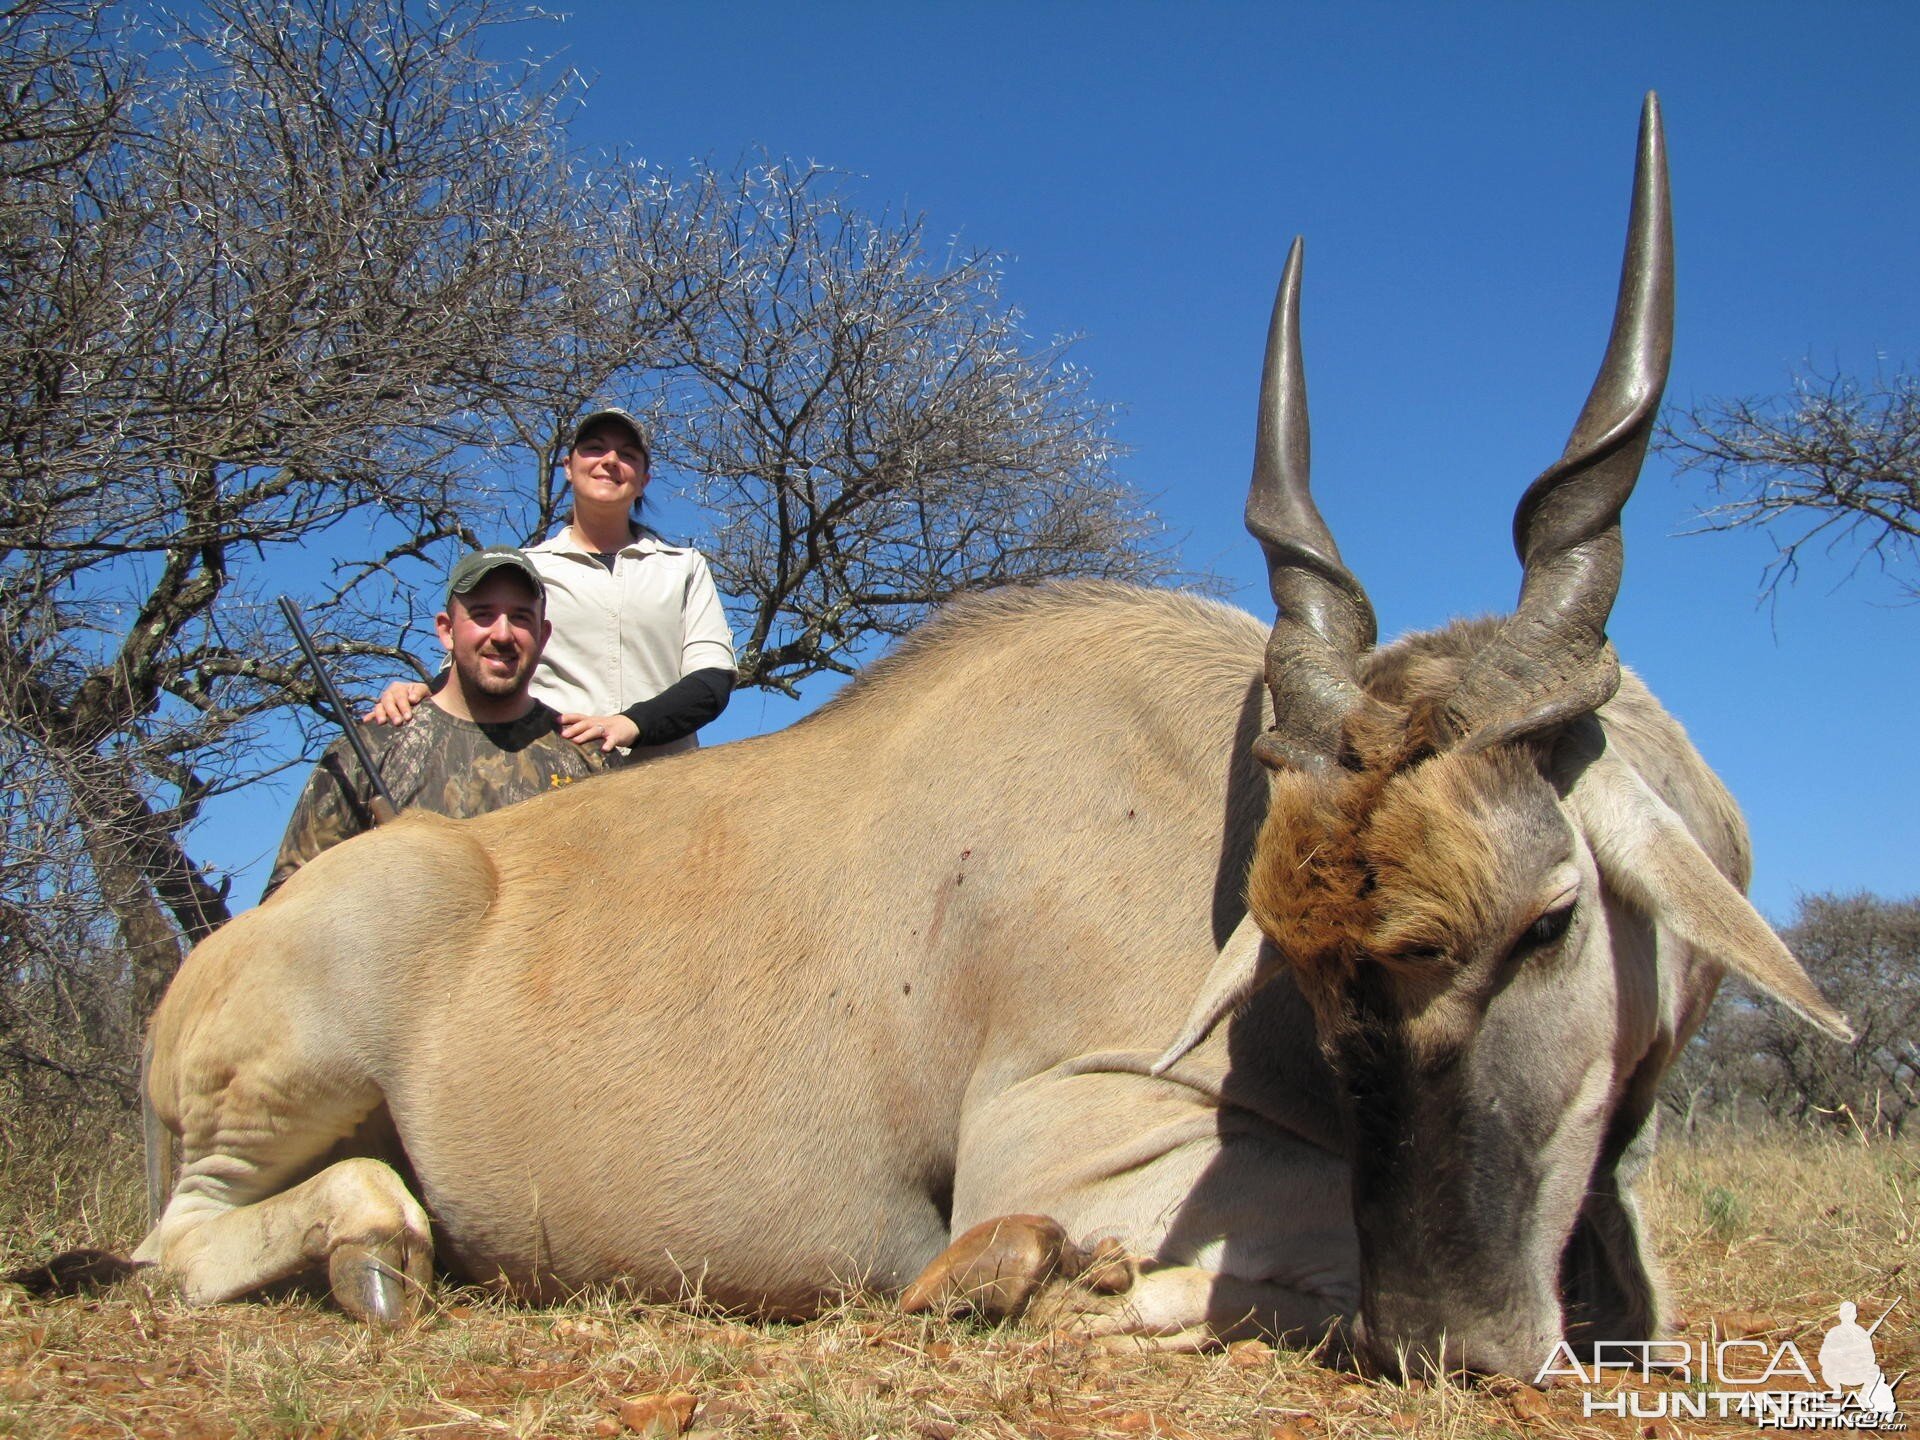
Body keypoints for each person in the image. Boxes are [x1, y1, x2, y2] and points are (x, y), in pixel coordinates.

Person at [367, 406, 736, 761]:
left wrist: (629, 724)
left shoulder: (684, 567)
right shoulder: (526, 569)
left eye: (627, 455)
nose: (609, 460)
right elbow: (470, 667)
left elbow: (711, 680)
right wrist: (419, 692)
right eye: (594, 448)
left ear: (643, 481)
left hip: (662, 784)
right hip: (549, 782)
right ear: (568, 468)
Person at [264, 547, 605, 898]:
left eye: (520, 618)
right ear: (446, 630)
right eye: (483, 615)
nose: (503, 634)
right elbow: (284, 905)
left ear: (543, 634)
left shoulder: (588, 760)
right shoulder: (367, 751)